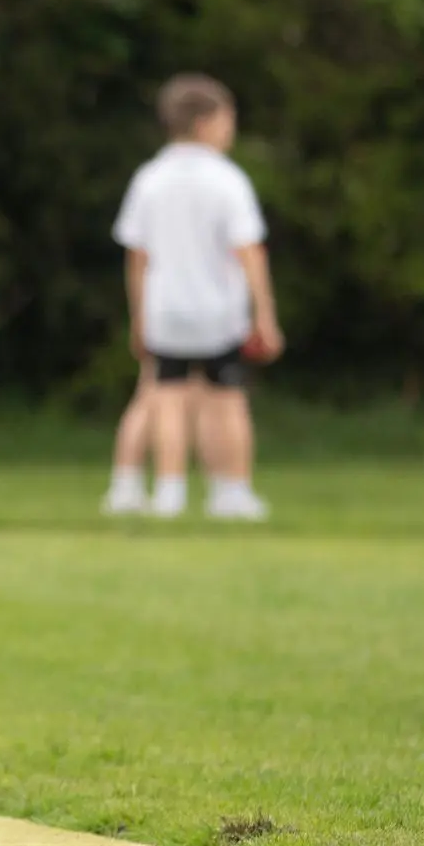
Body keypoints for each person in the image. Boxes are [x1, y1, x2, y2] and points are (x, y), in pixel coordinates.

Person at [102, 75, 281, 520]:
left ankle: (169, 490)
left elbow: (137, 256)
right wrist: (265, 314)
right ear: (203, 123)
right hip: (218, 311)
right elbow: (249, 252)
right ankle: (232, 490)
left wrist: (138, 316)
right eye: (227, 119)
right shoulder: (228, 180)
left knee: (167, 398)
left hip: (166, 309)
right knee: (226, 401)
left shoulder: (150, 178)